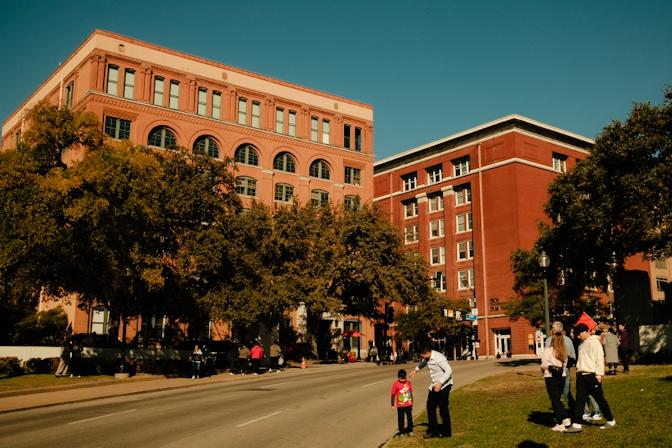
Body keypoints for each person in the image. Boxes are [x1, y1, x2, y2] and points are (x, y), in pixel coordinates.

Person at [566, 324, 616, 433]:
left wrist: (599, 375)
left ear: (584, 332)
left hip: (591, 376)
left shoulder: (594, 342)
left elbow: (599, 357)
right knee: (580, 400)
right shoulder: (581, 344)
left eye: (578, 334)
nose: (577, 337)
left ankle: (610, 420)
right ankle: (577, 424)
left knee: (600, 399)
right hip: (581, 376)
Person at [409, 346, 453, 438]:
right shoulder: (428, 357)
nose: (422, 358)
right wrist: (416, 370)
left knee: (443, 408)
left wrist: (440, 383)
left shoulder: (439, 358)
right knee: (430, 407)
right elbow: (424, 362)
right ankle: (434, 431)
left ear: (427, 353)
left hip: (444, 384)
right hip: (434, 385)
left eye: (422, 356)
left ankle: (446, 432)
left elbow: (449, 370)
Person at [541, 333, 570, 432]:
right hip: (562, 377)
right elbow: (565, 365)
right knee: (558, 399)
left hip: (550, 377)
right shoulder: (564, 351)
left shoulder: (548, 350)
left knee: (555, 400)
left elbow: (544, 365)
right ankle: (565, 418)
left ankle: (560, 423)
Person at [544, 321, 576, 410]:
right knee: (566, 391)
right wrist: (567, 365)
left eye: (553, 328)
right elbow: (573, 356)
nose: (552, 330)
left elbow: (546, 356)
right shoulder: (568, 340)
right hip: (565, 369)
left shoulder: (550, 340)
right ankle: (573, 409)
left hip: (553, 371)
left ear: (557, 329)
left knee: (555, 394)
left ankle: (561, 412)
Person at [391, 369, 414, 437]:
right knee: (401, 419)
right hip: (400, 405)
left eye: (404, 378)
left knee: (409, 418)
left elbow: (410, 392)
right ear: (398, 377)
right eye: (402, 379)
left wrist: (412, 401)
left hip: (408, 404)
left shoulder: (408, 382)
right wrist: (392, 404)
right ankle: (401, 432)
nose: (404, 380)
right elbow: (393, 394)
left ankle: (410, 430)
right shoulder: (395, 384)